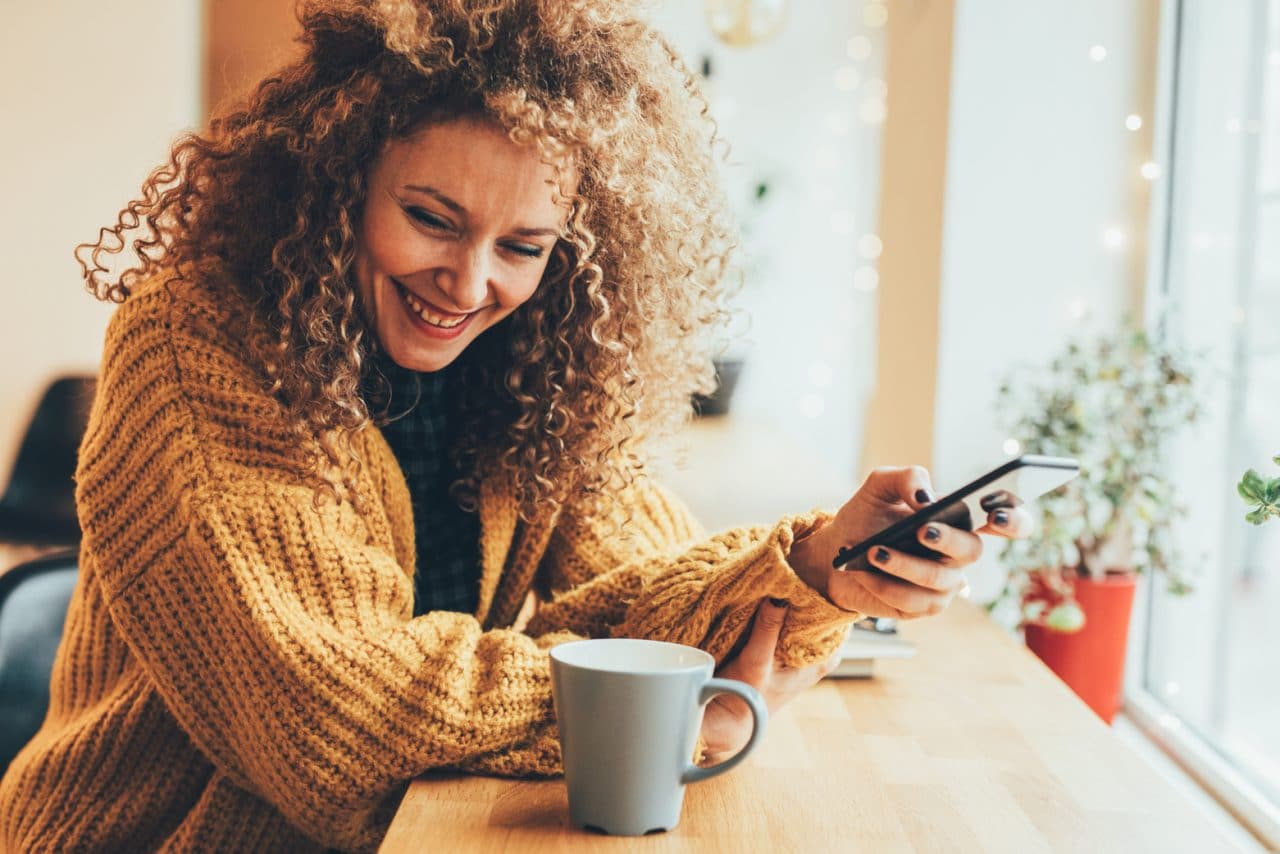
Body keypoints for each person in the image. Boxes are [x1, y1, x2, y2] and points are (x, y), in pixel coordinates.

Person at [0, 1, 1030, 851]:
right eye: (432, 218)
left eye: (524, 245)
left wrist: (813, 568)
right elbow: (331, 717)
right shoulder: (199, 341)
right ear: (337, 182)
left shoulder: (541, 361)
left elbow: (645, 597)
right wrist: (667, 714)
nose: (470, 281)